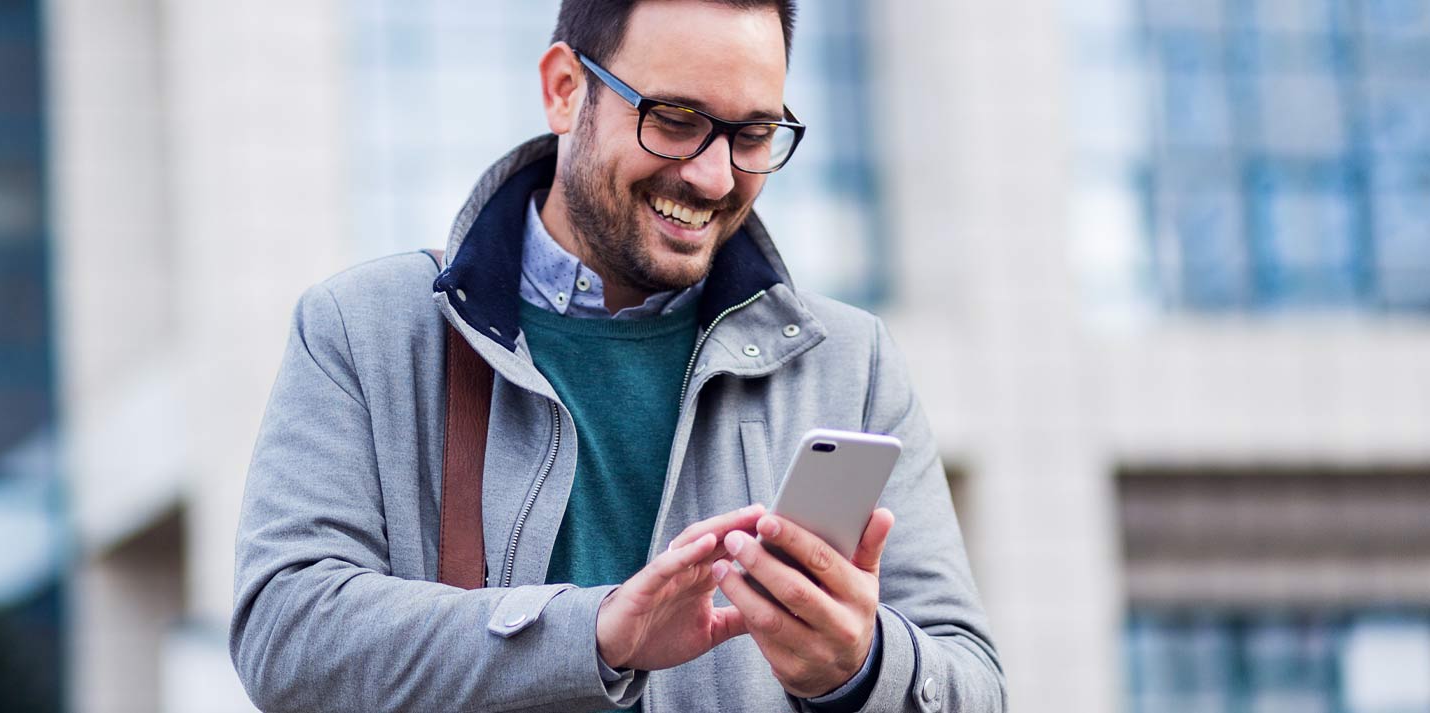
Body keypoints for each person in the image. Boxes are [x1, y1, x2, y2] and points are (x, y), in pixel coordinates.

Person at [230, 0, 1006, 710]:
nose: (712, 175)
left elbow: (974, 685)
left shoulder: (852, 364)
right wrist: (595, 632)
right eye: (674, 119)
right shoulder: (362, 330)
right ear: (566, 89)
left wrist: (860, 667)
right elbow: (286, 634)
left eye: (753, 134)